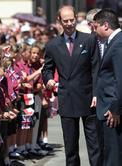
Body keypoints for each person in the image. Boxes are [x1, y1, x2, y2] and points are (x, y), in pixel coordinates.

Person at [42, 5, 102, 166]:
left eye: (72, 20)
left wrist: (96, 94)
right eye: (65, 20)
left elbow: (96, 69)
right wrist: (48, 79)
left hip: (89, 98)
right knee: (70, 146)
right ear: (59, 21)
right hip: (67, 98)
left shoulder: (89, 40)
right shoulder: (52, 45)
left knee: (94, 144)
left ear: (76, 19)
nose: (69, 23)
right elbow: (47, 68)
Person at [93, 9, 122, 166]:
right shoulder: (115, 41)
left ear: (105, 25)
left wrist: (116, 108)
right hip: (109, 106)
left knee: (113, 156)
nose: (94, 30)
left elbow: (120, 78)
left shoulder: (118, 43)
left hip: (112, 111)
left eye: (95, 26)